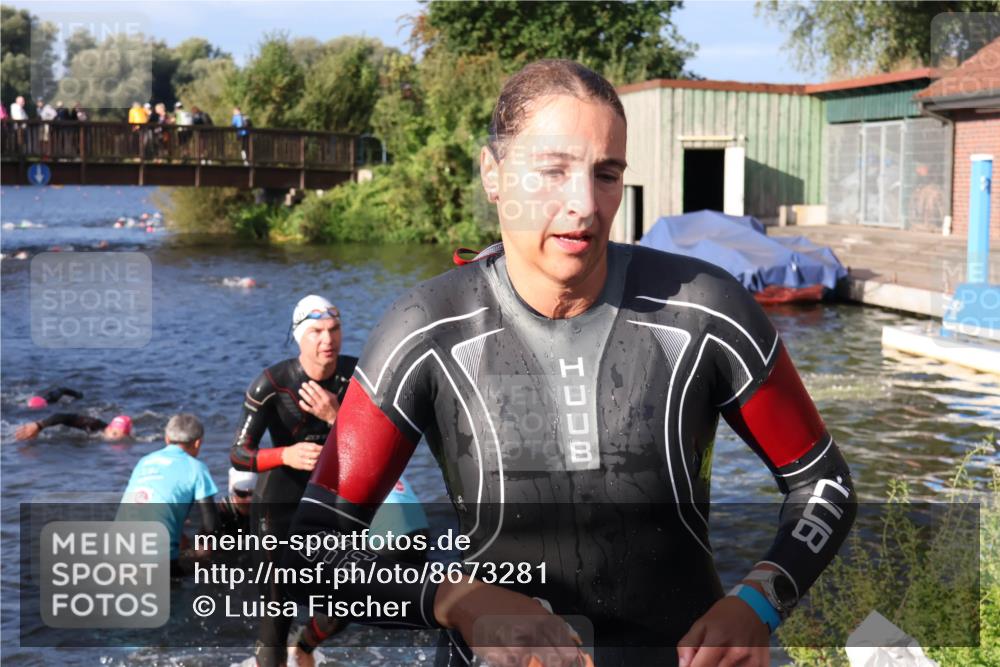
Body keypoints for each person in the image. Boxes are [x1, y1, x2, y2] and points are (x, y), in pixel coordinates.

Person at [284, 59, 856, 667]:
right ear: (494, 174)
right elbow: (307, 552)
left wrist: (760, 600)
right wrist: (453, 599)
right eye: (552, 171)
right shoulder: (425, 330)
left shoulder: (706, 308)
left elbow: (824, 486)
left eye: (606, 174)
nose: (584, 204)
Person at [230, 294, 357, 667]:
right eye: (316, 331)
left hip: (333, 505)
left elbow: (380, 445)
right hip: (278, 508)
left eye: (334, 330)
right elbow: (239, 454)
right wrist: (284, 455)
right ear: (299, 336)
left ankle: (303, 646)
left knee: (347, 602)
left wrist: (336, 418)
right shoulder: (271, 384)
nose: (327, 340)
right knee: (276, 614)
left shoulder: (357, 377)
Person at [119, 414, 218, 577]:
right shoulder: (197, 468)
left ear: (166, 439)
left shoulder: (144, 461)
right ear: (198, 443)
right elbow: (211, 524)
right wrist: (199, 551)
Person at [15, 413, 132, 441]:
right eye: (115, 434)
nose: (116, 439)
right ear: (109, 428)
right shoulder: (93, 425)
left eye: (122, 436)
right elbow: (62, 417)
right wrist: (39, 425)